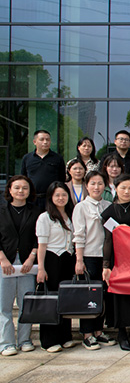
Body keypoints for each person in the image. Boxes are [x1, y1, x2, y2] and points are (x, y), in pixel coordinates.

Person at [101, 174, 130, 351]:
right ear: (115, 189)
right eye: (123, 188)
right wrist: (106, 265)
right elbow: (107, 239)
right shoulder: (109, 212)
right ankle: (122, 334)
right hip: (118, 260)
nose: (127, 191)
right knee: (119, 296)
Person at [0, 175, 42, 355]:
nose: (20, 191)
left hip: (27, 262)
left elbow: (39, 237)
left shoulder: (36, 211)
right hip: (5, 262)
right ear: (9, 190)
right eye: (16, 187)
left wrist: (32, 257)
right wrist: (2, 258)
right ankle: (6, 343)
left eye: (24, 188)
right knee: (4, 306)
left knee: (26, 304)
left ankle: (25, 339)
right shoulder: (1, 210)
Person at [72, 171, 113, 350]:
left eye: (100, 183)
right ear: (86, 186)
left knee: (102, 295)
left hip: (105, 258)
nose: (97, 187)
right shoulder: (81, 207)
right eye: (93, 184)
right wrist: (79, 259)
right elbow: (79, 235)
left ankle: (98, 330)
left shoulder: (108, 205)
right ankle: (87, 334)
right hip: (89, 256)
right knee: (89, 296)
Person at [35, 182, 76, 353]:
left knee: (66, 299)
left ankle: (65, 336)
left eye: (64, 195)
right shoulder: (45, 217)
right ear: (51, 197)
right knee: (51, 300)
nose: (61, 198)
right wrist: (41, 268)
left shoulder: (71, 215)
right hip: (52, 260)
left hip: (68, 259)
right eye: (57, 195)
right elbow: (42, 245)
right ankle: (49, 340)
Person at [21, 129, 65, 206]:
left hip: (51, 198)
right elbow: (23, 178)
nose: (45, 142)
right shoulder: (27, 158)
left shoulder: (58, 158)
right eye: (42, 139)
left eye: (47, 140)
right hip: (32, 198)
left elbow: (62, 178)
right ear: (34, 142)